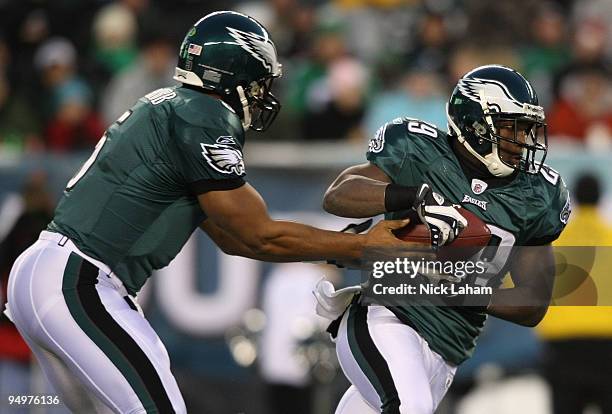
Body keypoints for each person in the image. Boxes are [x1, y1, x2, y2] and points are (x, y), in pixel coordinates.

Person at [4, 11, 409, 414]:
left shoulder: (175, 107)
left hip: (52, 274)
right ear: (231, 74)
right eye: (259, 81)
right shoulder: (203, 114)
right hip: (80, 282)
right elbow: (257, 233)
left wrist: (341, 249)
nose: (262, 93)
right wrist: (360, 248)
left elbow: (232, 238)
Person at [318, 65, 570, 414]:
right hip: (387, 316)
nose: (523, 141)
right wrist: (412, 197)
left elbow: (531, 305)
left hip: (446, 351)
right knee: (410, 406)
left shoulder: (538, 194)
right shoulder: (418, 148)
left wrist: (453, 282)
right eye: (511, 127)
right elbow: (338, 194)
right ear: (476, 124)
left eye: (527, 129)